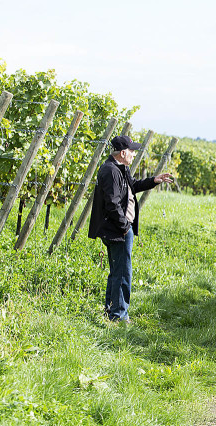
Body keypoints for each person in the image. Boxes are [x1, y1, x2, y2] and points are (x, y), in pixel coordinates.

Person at [88, 135, 173, 323]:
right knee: (123, 273)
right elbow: (112, 204)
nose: (134, 154)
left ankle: (111, 311)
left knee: (117, 271)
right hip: (117, 230)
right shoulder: (110, 171)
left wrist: (154, 180)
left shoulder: (120, 168)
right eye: (132, 151)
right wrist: (125, 226)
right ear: (123, 152)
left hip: (119, 229)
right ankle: (119, 316)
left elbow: (132, 186)